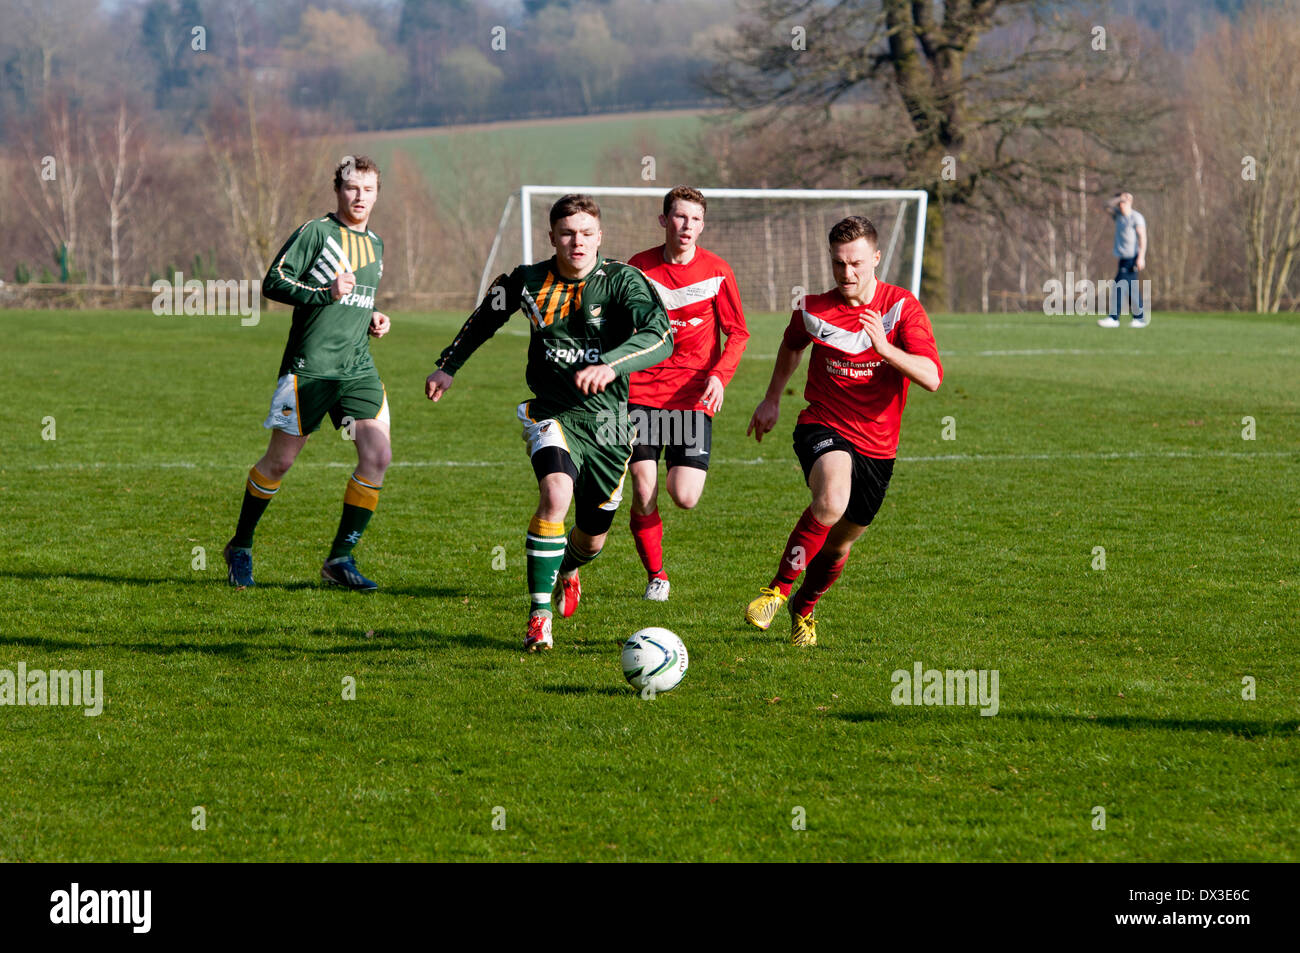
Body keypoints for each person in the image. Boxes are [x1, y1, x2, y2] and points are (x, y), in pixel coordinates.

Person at [425, 194, 673, 652]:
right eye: (566, 233)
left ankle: (569, 569)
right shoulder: (526, 280)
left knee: (592, 540)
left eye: (585, 233)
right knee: (555, 493)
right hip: (552, 411)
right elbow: (484, 318)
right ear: (552, 237)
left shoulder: (624, 281)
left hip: (610, 425)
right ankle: (539, 617)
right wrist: (448, 365)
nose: (576, 242)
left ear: (600, 236)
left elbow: (661, 337)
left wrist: (612, 364)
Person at [744, 216, 942, 646]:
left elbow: (932, 377)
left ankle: (804, 607)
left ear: (875, 258)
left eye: (855, 263)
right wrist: (773, 398)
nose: (847, 274)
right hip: (824, 423)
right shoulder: (813, 308)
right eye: (838, 264)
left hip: (879, 446)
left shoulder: (901, 307)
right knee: (831, 500)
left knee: (837, 546)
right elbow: (792, 344)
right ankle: (776, 592)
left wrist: (885, 349)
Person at [223, 155, 392, 592]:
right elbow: (273, 282)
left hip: (357, 369)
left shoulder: (376, 244)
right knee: (279, 462)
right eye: (352, 187)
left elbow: (354, 301)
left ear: (377, 193)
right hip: (311, 370)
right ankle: (240, 545)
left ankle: (340, 558)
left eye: (368, 189)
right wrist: (323, 292)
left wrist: (373, 316)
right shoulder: (316, 233)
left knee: (377, 456)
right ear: (338, 189)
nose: (360, 196)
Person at [625, 186, 749, 602]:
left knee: (686, 497)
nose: (687, 226)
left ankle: (654, 550)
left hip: (694, 398)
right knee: (644, 489)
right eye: (679, 217)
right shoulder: (638, 268)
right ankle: (657, 575)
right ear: (664, 221)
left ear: (703, 224)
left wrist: (720, 375)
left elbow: (738, 332)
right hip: (641, 394)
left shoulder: (717, 271)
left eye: (695, 219)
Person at [1099, 191, 1148, 328]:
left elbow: (1142, 237)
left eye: (1124, 202)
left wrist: (1141, 257)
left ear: (1130, 202)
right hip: (1123, 258)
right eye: (1120, 202)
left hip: (1133, 258)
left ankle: (1114, 318)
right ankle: (1139, 318)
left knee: (1118, 285)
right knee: (1131, 288)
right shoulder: (1118, 216)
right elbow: (1106, 205)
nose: (1121, 204)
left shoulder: (1136, 217)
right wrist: (1119, 198)